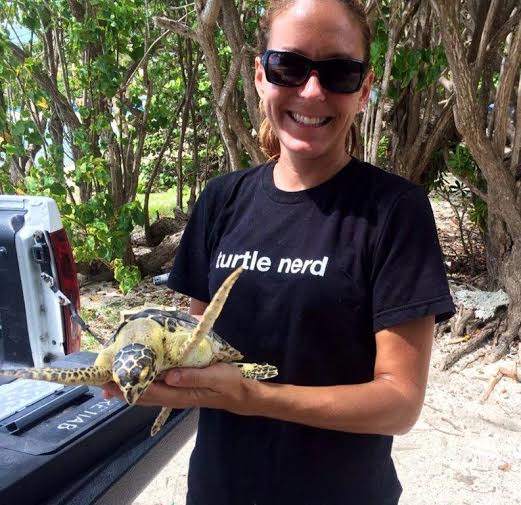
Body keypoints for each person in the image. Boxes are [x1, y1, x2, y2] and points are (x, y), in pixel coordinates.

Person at [105, 0, 455, 503]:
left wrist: (253, 396)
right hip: (218, 490)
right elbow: (192, 347)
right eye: (289, 66)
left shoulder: (395, 211)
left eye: (339, 72)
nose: (312, 91)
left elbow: (399, 403)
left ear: (364, 88)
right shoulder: (221, 200)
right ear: (260, 75)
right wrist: (153, 376)